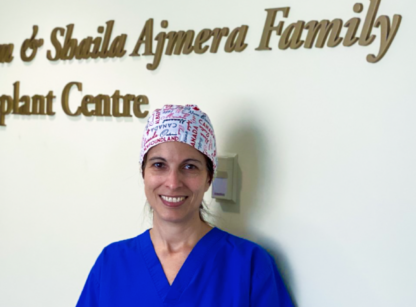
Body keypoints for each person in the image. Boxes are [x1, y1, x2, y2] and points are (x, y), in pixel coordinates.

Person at [76, 105, 295, 306]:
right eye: (159, 165)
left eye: (189, 167)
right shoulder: (111, 264)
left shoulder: (249, 266)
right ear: (144, 173)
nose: (172, 182)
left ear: (209, 177)